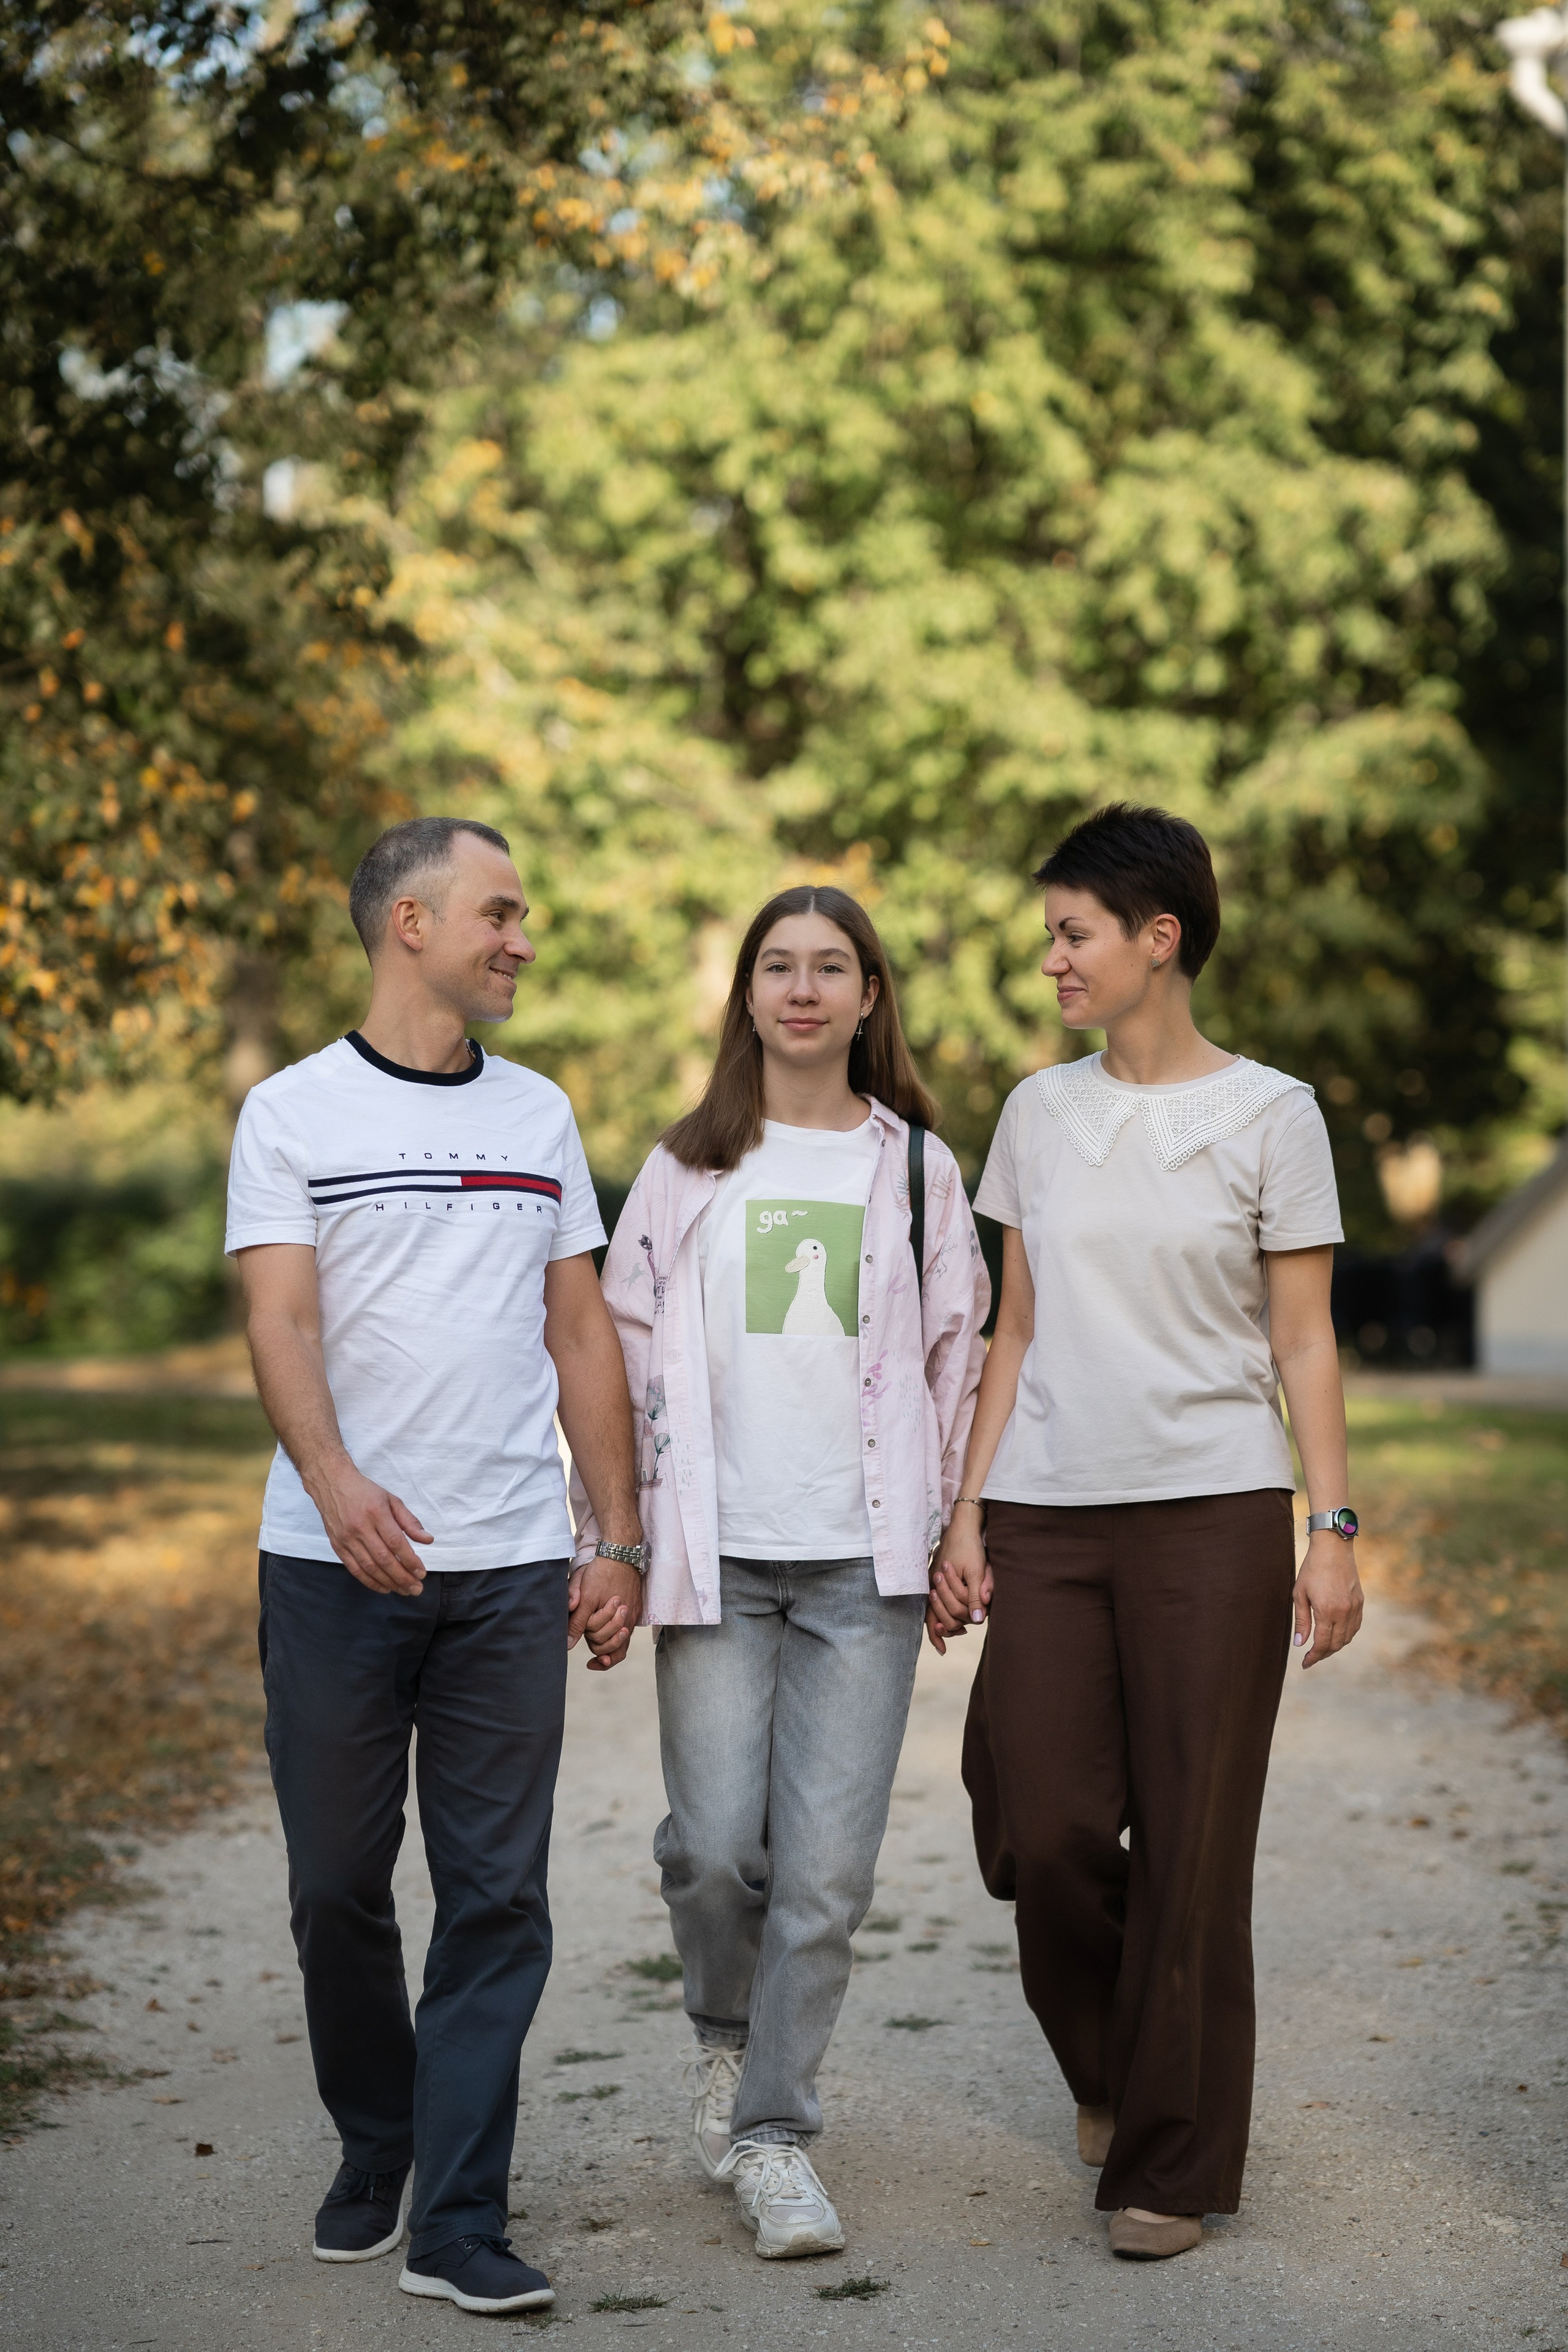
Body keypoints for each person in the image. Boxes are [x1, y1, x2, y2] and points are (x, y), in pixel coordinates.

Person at [929, 803, 1364, 2263]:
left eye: (1072, 933)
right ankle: (1117, 2069)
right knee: (1041, 1824)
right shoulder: (1035, 1114)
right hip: (1049, 1511)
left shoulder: (1271, 1115)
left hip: (1214, 1516)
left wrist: (1332, 1526)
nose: (1051, 958)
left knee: (1189, 1848)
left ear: (1156, 939)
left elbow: (1300, 1344)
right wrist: (968, 1506)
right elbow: (1014, 1327)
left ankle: (1167, 2161)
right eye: (1051, 933)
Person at [227, 817, 647, 2318]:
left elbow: (580, 1332)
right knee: (337, 1882)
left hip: (511, 1568)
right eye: (501, 912)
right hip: (334, 1566)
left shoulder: (539, 1116)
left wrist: (614, 1534)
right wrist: (335, 1486)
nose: (524, 938)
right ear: (410, 924)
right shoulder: (291, 1114)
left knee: (494, 1899)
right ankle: (377, 2138)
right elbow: (278, 1323)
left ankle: (458, 2217)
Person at [576, 886, 989, 2259]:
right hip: (716, 1560)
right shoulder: (684, 1171)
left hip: (858, 1574)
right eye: (777, 966)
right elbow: (616, 1363)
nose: (802, 988)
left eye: (830, 967)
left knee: (821, 1879)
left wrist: (954, 1531)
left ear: (871, 995)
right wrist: (613, 1544)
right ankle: (723, 2038)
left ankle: (771, 2136)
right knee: (712, 1854)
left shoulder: (920, 1171)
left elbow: (958, 1362)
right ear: (745, 996)